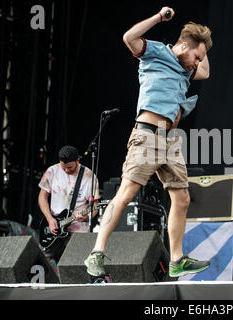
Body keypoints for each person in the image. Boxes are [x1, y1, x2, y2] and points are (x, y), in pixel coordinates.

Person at [84, 7, 212, 278]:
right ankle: (96, 250)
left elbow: (205, 74)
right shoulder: (157, 52)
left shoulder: (188, 70)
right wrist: (158, 17)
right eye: (196, 56)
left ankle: (176, 259)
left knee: (182, 197)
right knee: (127, 192)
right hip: (147, 134)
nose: (197, 63)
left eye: (201, 58)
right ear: (183, 45)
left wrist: (204, 42)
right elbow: (129, 37)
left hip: (170, 140)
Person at [38, 145, 100, 263]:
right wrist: (50, 219)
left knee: (74, 266)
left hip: (78, 232)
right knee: (42, 263)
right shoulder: (52, 171)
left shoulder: (89, 177)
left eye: (70, 167)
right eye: (63, 167)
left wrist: (86, 217)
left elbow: (95, 206)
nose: (66, 170)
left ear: (78, 160)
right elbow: (42, 197)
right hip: (54, 227)